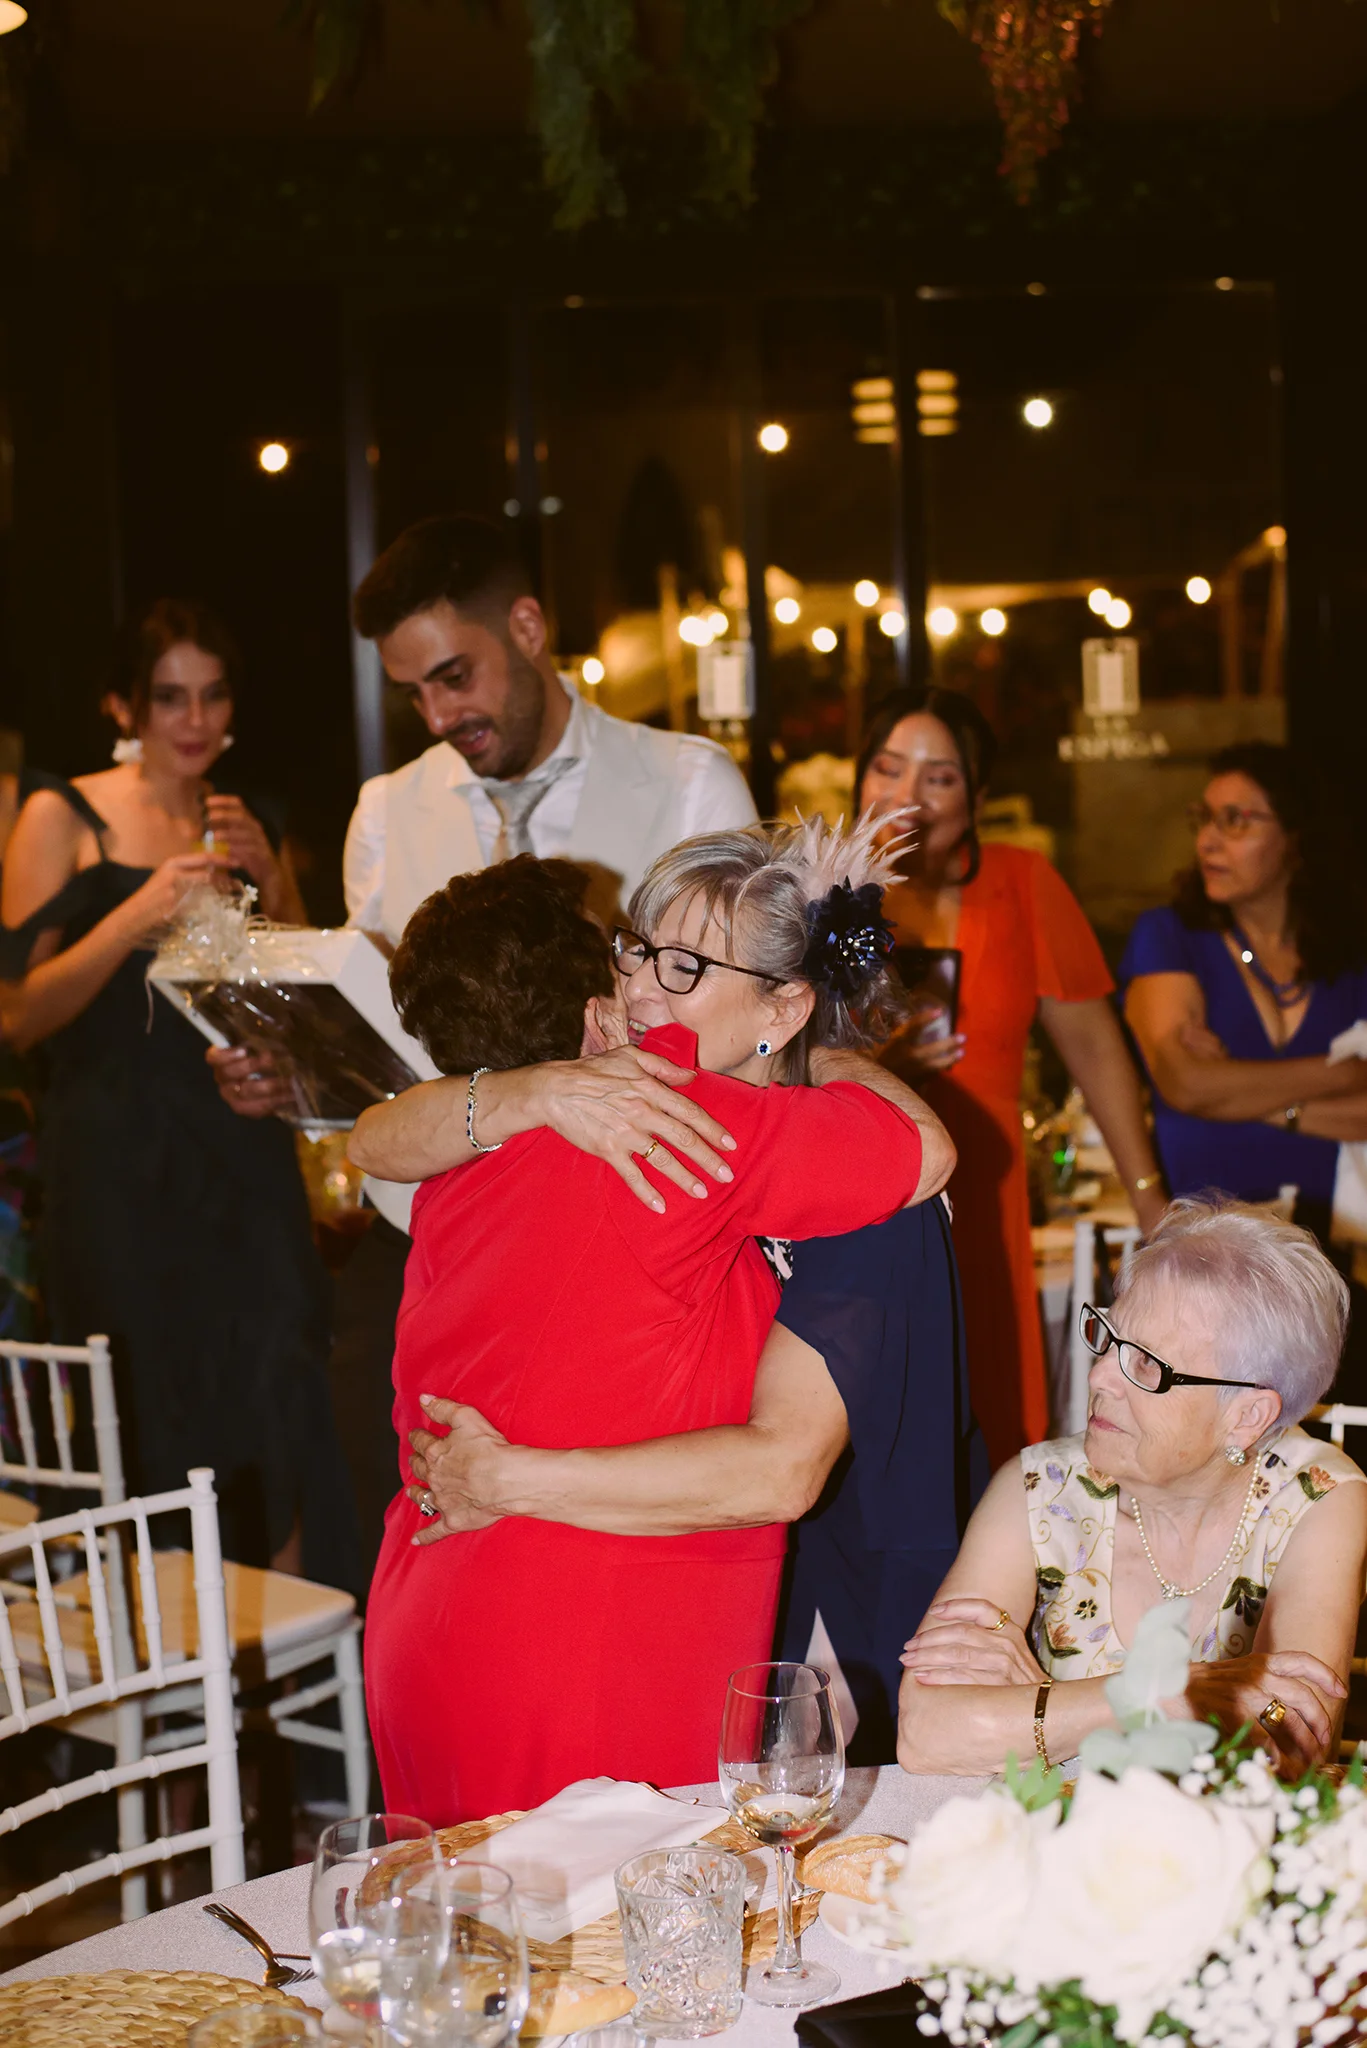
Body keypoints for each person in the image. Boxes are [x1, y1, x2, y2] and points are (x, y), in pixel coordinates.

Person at [355, 822, 956, 1820]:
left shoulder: (502, 1127)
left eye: (683, 966)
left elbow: (373, 1140)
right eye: (634, 950)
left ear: (783, 1003)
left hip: (426, 1612)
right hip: (582, 1643)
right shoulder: (671, 1111)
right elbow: (923, 1149)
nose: (639, 986)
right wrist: (829, 1059)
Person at [213, 514, 758, 1581]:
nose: (438, 715)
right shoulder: (386, 810)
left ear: (527, 627)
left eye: (454, 676)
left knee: (580, 1563)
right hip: (430, 1239)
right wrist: (300, 1072)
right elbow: (383, 1042)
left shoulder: (688, 780)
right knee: (413, 1549)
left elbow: (737, 1032)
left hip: (620, 1245)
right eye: (412, 692)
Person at [0, 600, 360, 1586]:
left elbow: (300, 989)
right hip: (114, 1160)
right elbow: (16, 1016)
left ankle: (297, 1644)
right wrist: (136, 914)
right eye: (169, 697)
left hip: (242, 1147)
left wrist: (273, 879)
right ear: (123, 705)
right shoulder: (61, 813)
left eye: (212, 694)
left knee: (283, 1378)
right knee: (147, 1410)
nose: (194, 719)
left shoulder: (245, 818)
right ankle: (164, 1654)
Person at [896, 1199, 1367, 1778]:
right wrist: (1162, 1696)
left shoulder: (1319, 1498)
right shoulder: (1040, 1489)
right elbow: (924, 1734)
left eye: (1146, 1365)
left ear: (1246, 1416)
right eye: (1109, 1338)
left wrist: (1043, 1703)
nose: (1098, 1376)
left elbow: (1288, 1751)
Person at [856, 687, 1167, 1468]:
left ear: (976, 797)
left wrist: (1147, 1198)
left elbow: (1094, 1049)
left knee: (987, 1419)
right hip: (854, 1205)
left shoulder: (1021, 882)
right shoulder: (813, 896)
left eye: (938, 778)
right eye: (887, 769)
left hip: (984, 1206)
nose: (905, 795)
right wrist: (879, 1073)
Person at [1121, 742, 1367, 1232]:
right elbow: (1186, 1083)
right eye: (1205, 819)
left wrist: (1236, 1092)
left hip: (1339, 1245)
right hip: (1207, 1245)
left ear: (1295, 836)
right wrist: (1346, 1074)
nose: (1207, 842)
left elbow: (1203, 1091)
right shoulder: (1170, 936)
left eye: (1235, 821)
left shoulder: (1352, 953)